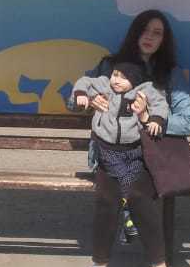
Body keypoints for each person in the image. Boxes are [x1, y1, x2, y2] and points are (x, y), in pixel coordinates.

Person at [70, 10, 190, 267]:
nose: (150, 37)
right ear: (134, 33)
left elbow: (189, 120)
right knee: (106, 196)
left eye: (157, 33)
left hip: (147, 156)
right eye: (145, 30)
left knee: (140, 196)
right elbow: (75, 96)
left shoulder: (169, 74)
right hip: (109, 152)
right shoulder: (109, 66)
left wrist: (148, 119)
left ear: (164, 40)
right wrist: (87, 101)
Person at [71, 58, 169, 201]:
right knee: (122, 175)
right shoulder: (105, 85)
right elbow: (85, 81)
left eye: (124, 78)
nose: (117, 80)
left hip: (134, 147)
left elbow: (159, 101)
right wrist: (81, 93)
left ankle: (129, 200)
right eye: (115, 75)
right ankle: (127, 201)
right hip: (107, 147)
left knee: (135, 172)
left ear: (134, 81)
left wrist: (156, 119)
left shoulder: (143, 90)